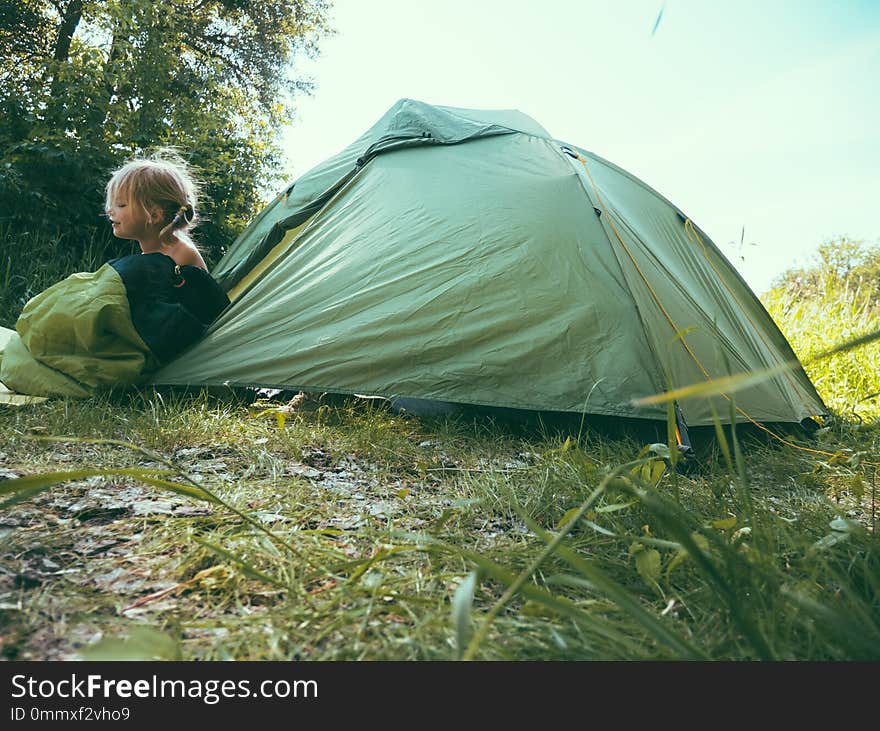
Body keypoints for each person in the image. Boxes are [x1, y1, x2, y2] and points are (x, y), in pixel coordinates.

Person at [104, 148, 208, 270]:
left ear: (154, 215)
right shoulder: (155, 253)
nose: (109, 210)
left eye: (121, 205)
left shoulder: (181, 256)